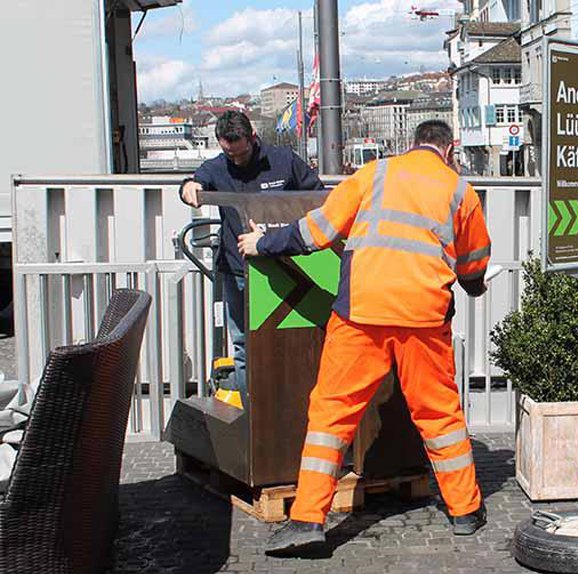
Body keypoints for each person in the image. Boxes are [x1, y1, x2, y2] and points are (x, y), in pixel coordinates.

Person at [238, 120, 491, 557]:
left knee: (332, 413)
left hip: (361, 313)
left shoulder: (374, 173)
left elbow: (316, 231)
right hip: (424, 316)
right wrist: (474, 286)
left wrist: (264, 243)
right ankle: (465, 511)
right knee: (439, 413)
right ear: (449, 150)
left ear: (412, 144)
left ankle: (307, 520)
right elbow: (474, 264)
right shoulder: (460, 191)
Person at [179, 111, 324, 408]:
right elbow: (194, 183)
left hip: (284, 270)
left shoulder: (284, 161)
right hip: (238, 271)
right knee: (244, 347)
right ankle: (252, 415)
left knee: (293, 341)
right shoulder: (217, 167)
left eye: (241, 153)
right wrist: (188, 187)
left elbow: (318, 198)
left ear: (253, 138)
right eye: (229, 154)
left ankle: (293, 410)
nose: (236, 160)